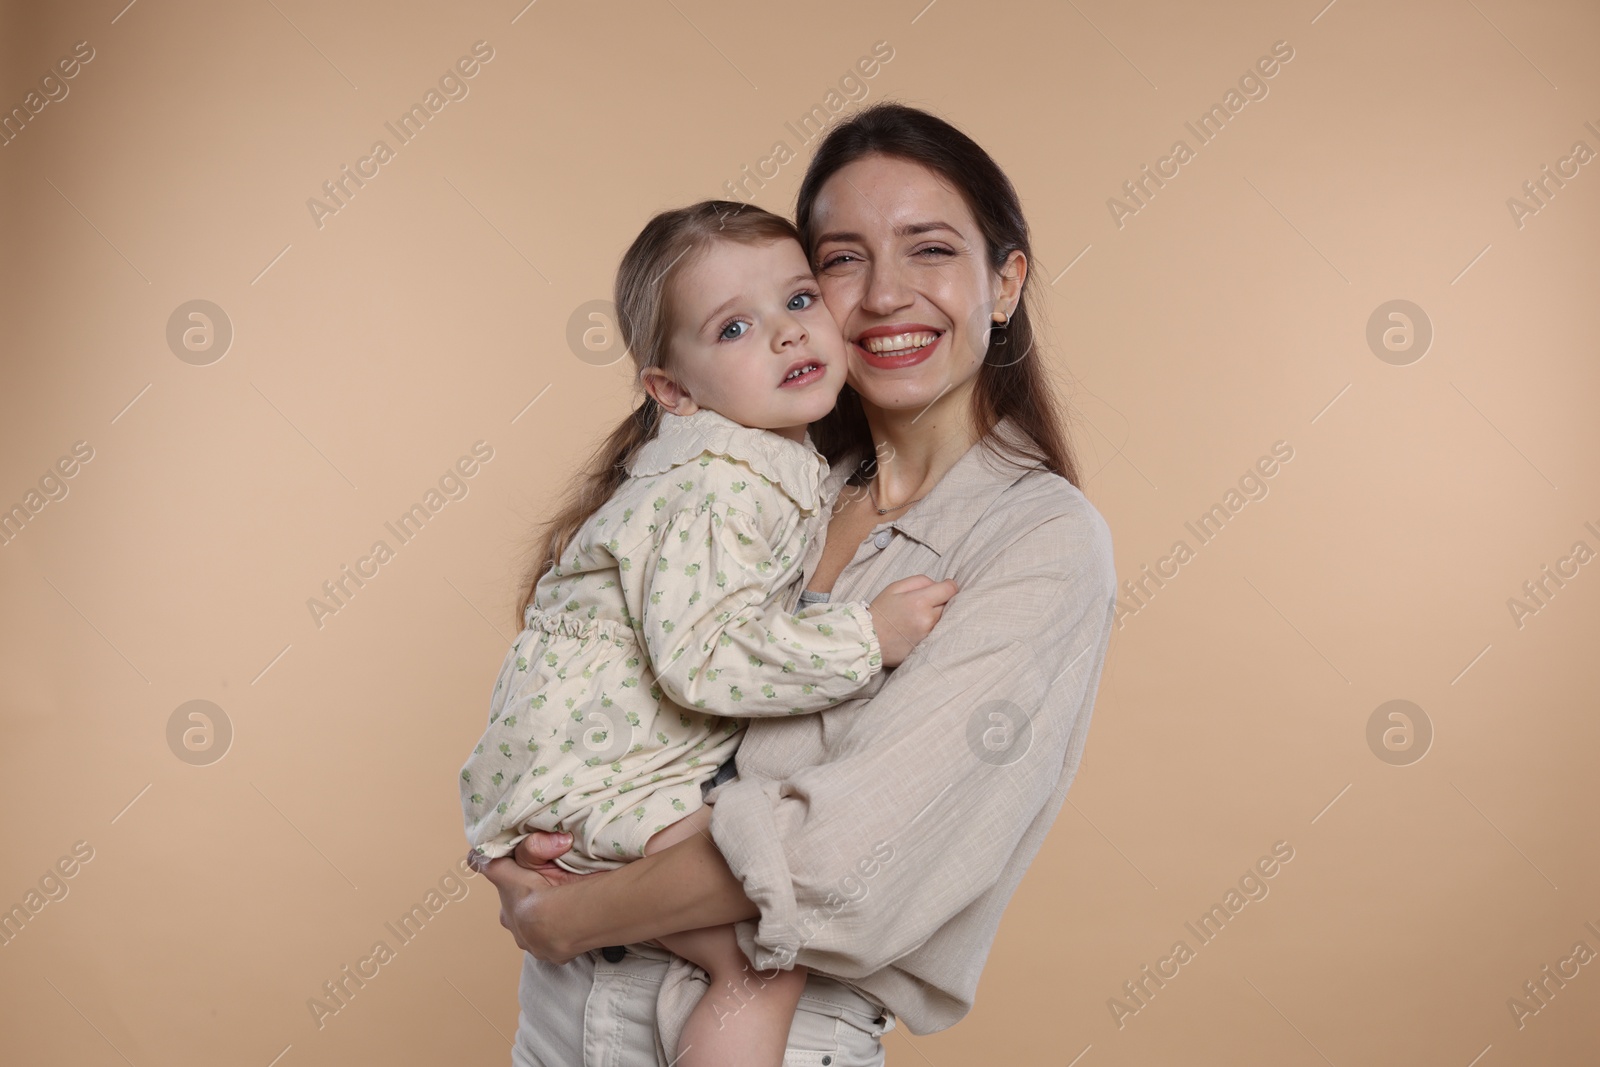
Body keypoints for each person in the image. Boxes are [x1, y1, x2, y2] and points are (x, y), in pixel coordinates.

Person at [474, 101, 1118, 1066]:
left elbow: (840, 861)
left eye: (931, 249)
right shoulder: (756, 481)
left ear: (1004, 282)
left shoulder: (1038, 542)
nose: (887, 294)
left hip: (771, 1023)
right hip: (569, 1012)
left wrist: (562, 911)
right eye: (844, 260)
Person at [459, 199, 957, 1067]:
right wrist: (864, 638)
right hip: (596, 778)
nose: (786, 336)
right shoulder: (719, 482)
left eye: (800, 301)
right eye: (734, 327)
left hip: (586, 772)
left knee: (760, 908)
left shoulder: (755, 461)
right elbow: (706, 660)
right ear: (672, 391)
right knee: (768, 943)